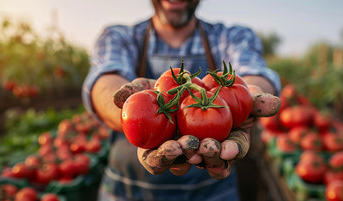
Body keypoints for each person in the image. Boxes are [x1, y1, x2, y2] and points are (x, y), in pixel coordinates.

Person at [82, 0, 282, 200]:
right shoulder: (120, 36)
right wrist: (136, 114)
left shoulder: (231, 36)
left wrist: (249, 94)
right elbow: (103, 81)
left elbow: (254, 72)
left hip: (214, 194)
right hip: (126, 192)